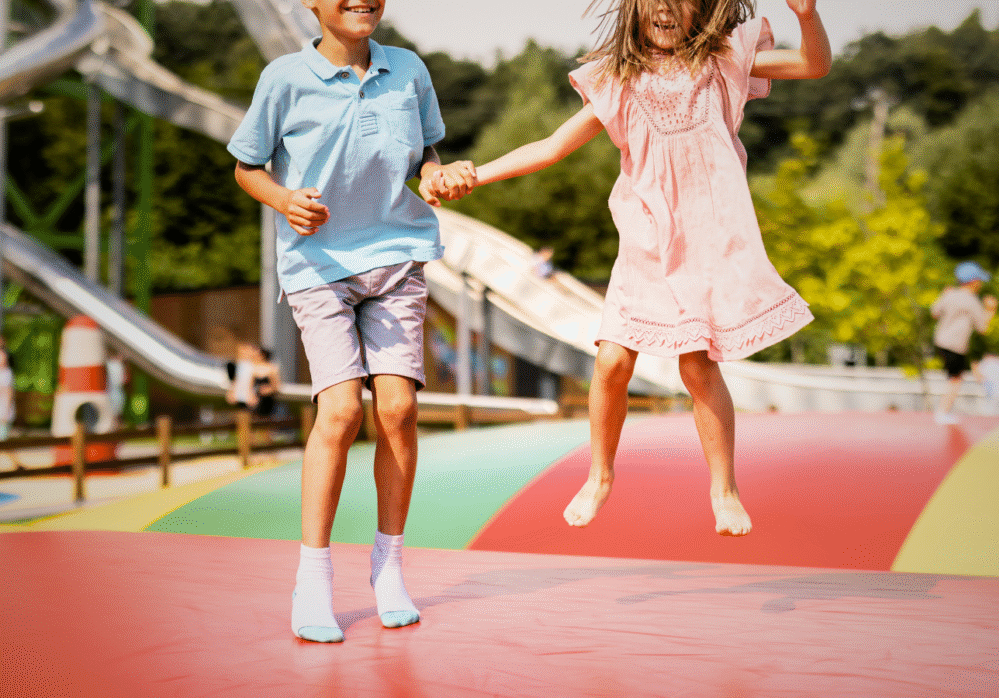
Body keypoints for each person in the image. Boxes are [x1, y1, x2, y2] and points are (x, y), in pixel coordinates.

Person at [457, 0, 831, 536]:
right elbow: (553, 146)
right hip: (646, 242)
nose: (663, 6)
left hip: (704, 244)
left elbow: (814, 66)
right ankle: (599, 475)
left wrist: (808, 16)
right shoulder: (619, 81)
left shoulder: (725, 59)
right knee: (611, 362)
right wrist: (477, 175)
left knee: (696, 364)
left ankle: (724, 488)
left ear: (702, 8)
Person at [228, 0, 474, 643]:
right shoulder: (282, 78)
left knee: (397, 410)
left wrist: (436, 175)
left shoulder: (410, 70)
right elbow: (246, 166)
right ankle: (312, 579)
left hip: (397, 259)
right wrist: (284, 200)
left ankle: (389, 567)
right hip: (318, 266)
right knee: (339, 412)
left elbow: (426, 153)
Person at [930, 261, 998, 424]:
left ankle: (943, 412)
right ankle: (942, 413)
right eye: (979, 281)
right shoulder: (972, 301)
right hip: (956, 345)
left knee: (953, 377)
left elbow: (935, 312)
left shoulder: (950, 294)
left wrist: (944, 295)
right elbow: (982, 328)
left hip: (940, 341)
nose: (980, 284)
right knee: (956, 379)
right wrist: (990, 310)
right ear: (973, 282)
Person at [971, 349, 999, 417]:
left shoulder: (986, 363)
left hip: (992, 395)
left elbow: (979, 379)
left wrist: (974, 367)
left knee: (988, 419)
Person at [252, 347, 282, 418]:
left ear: (263, 355)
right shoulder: (252, 367)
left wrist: (268, 390)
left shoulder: (272, 368)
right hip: (253, 399)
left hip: (266, 401)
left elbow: (276, 387)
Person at [0, 346, 13, 441]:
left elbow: (9, 393)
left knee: (3, 442)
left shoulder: (7, 373)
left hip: (3, 411)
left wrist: (6, 413)